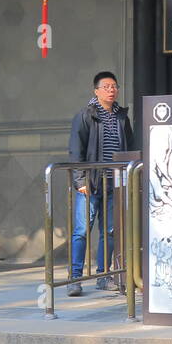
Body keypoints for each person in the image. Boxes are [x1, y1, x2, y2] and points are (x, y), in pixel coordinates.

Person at [67, 70, 132, 296]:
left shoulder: (122, 117)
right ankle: (74, 278)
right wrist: (80, 180)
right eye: (106, 86)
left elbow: (129, 149)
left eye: (114, 86)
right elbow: (77, 149)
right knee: (82, 231)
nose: (112, 90)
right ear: (96, 91)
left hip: (115, 183)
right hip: (91, 182)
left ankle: (104, 276)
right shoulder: (86, 115)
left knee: (110, 231)